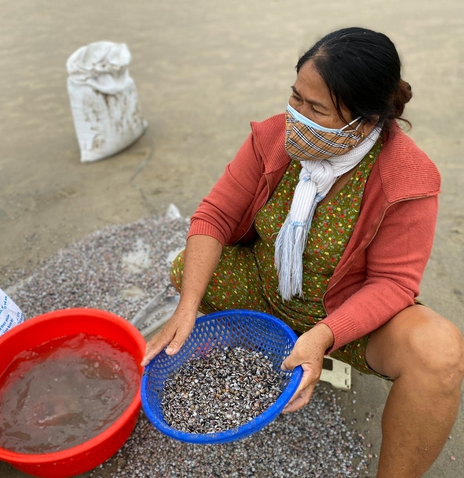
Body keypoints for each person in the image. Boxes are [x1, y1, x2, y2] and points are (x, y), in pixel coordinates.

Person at [142, 27, 464, 478]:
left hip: (344, 315)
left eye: (318, 109)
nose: (298, 117)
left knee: (439, 352)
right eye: (296, 98)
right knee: (188, 269)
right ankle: (263, 347)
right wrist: (188, 305)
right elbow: (214, 216)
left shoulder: (407, 178)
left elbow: (393, 283)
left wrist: (323, 336)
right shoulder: (274, 138)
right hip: (264, 285)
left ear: (366, 121)